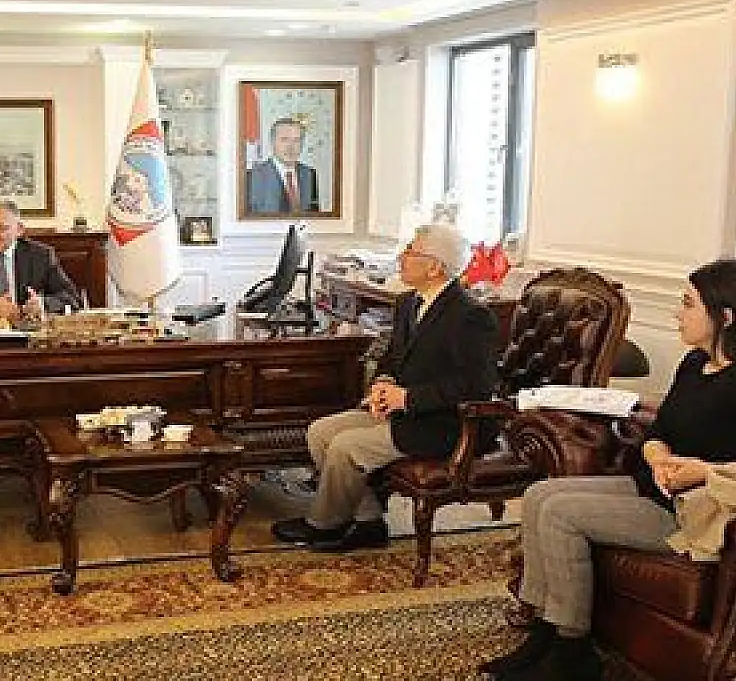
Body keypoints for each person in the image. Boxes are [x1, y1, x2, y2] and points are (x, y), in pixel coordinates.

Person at [479, 259, 736, 681]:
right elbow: (661, 429)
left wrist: (700, 471)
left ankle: (571, 649)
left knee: (561, 513)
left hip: (690, 509)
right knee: (539, 495)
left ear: (725, 317)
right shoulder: (694, 363)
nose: (678, 313)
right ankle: (541, 629)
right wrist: (657, 455)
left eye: (688, 304)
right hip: (653, 483)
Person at [270, 224, 499, 551]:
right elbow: (392, 358)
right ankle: (368, 521)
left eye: (410, 251)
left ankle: (324, 524)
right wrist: (383, 383)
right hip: (404, 414)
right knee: (319, 433)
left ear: (434, 267)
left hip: (446, 424)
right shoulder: (407, 303)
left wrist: (407, 398)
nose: (401, 256)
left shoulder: (471, 316)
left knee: (346, 448)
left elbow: (477, 386)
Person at [245, 117, 319, 215]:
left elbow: (314, 217)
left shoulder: (309, 174)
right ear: (272, 142)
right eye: (284, 140)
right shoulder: (251, 177)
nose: (290, 147)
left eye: (296, 140)